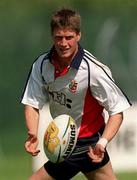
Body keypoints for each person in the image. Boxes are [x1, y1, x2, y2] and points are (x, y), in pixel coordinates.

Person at [21, 8, 131, 180]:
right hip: (64, 146)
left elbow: (117, 111)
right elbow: (31, 102)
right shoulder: (42, 65)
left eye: (69, 37)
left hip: (90, 146)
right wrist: (33, 132)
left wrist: (102, 143)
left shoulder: (93, 69)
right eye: (58, 37)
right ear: (52, 36)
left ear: (78, 35)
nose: (63, 43)